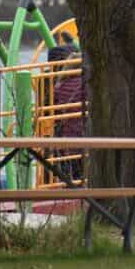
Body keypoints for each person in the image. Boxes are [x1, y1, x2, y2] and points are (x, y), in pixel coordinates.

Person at [47, 44, 84, 180]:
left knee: (70, 174)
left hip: (66, 141)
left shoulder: (59, 86)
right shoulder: (85, 84)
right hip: (85, 138)